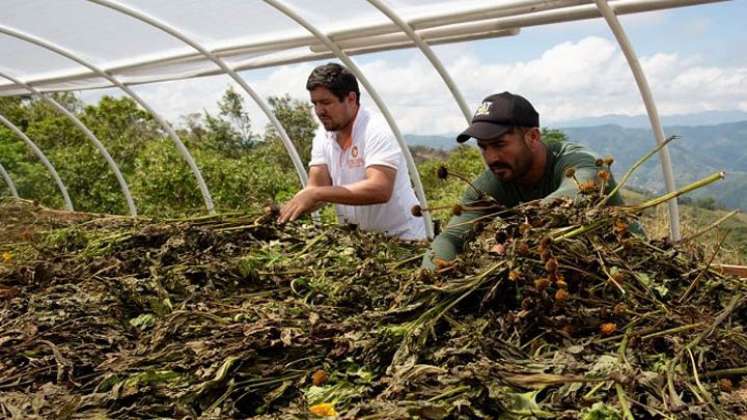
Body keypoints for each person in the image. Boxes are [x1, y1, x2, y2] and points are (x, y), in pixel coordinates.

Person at [423, 91, 625, 268]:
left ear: (533, 137)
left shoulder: (576, 160)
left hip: (620, 264)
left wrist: (516, 234)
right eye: (483, 147)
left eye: (500, 144)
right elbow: (450, 238)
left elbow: (577, 192)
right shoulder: (493, 182)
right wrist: (435, 278)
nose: (491, 158)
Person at [279, 63, 426, 240]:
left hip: (405, 240)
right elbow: (316, 188)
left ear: (351, 98)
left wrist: (316, 194)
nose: (319, 111)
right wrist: (285, 210)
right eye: (315, 103)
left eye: (326, 102)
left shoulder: (377, 129)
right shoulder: (323, 136)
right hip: (363, 244)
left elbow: (380, 189)